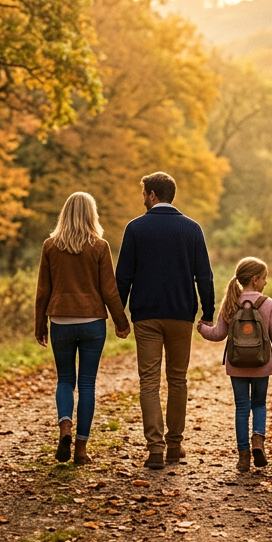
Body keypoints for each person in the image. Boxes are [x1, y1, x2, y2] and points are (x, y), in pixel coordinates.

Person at [115, 172, 215, 469]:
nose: (142, 198)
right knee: (177, 379)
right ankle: (174, 445)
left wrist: (120, 316)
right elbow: (204, 276)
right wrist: (207, 313)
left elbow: (123, 277)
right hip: (181, 314)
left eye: (143, 192)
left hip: (146, 316)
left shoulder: (135, 228)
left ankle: (155, 449)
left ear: (152, 195)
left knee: (149, 381)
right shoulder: (192, 229)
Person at [34, 192, 131, 466]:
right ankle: (80, 449)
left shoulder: (50, 246)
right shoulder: (99, 246)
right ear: (92, 215)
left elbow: (43, 290)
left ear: (64, 214)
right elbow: (109, 290)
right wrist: (121, 323)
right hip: (92, 323)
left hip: (60, 321)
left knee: (65, 380)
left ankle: (65, 425)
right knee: (87, 384)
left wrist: (40, 324)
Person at [197, 257, 272, 472]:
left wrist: (202, 327)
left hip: (236, 364)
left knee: (241, 407)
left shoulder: (231, 301)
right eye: (265, 278)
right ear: (256, 279)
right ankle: (258, 440)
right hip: (261, 365)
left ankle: (243, 457)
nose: (266, 282)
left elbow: (218, 334)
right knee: (259, 404)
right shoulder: (267, 303)